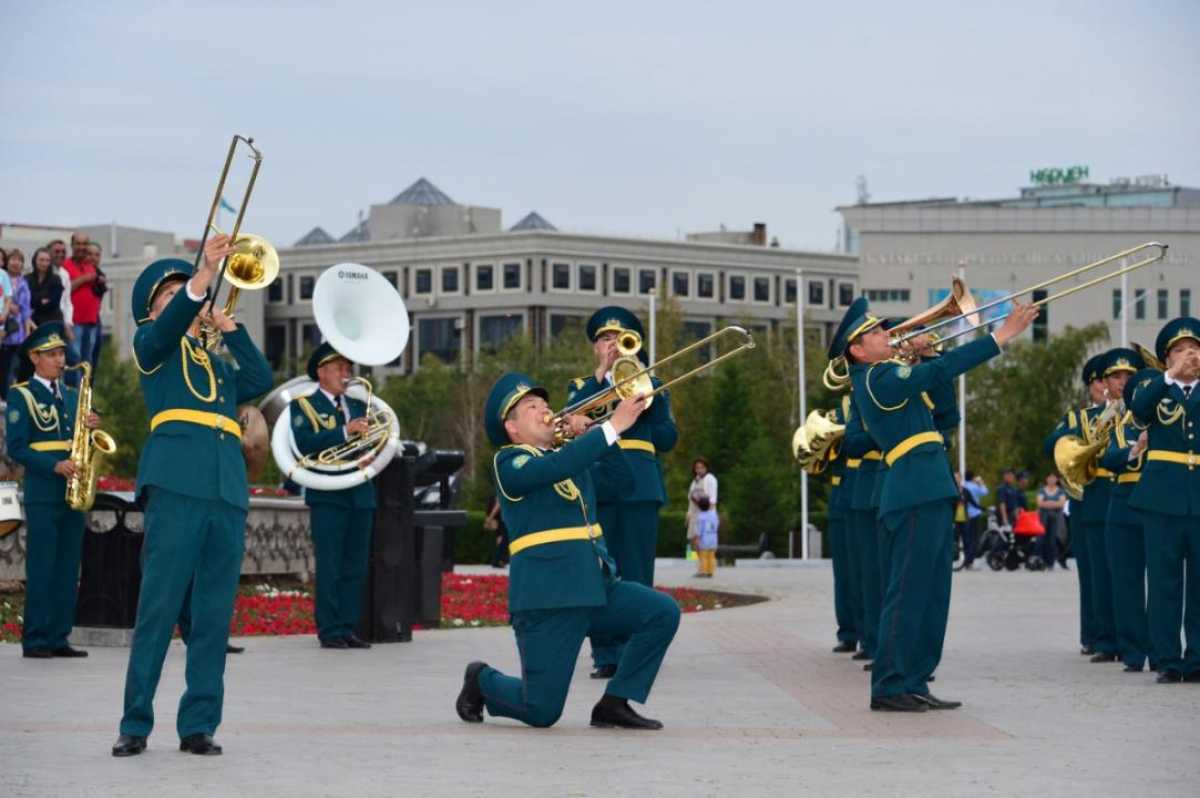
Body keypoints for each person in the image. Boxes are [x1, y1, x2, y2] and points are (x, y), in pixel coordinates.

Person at [836, 295, 1038, 712]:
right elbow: (940, 371)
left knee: (931, 594)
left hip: (929, 485)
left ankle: (915, 677)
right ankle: (890, 684)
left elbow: (946, 416)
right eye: (875, 332)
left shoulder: (895, 376)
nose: (886, 334)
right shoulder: (875, 379)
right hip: (911, 488)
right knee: (907, 590)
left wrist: (931, 355)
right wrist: (999, 336)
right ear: (856, 350)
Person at [112, 237, 273, 758]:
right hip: (177, 484)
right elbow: (163, 330)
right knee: (158, 609)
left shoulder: (215, 360)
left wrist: (230, 327)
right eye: (174, 295)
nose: (189, 298)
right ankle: (135, 722)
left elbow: (259, 379)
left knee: (211, 616)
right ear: (155, 310)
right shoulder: (151, 347)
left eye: (190, 291)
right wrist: (201, 277)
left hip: (224, 488)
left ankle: (198, 724)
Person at [455, 372, 680, 729]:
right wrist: (611, 428)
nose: (546, 410)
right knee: (542, 711)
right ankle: (481, 679)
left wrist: (595, 434)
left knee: (662, 612)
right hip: (550, 600)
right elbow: (551, 468)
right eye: (532, 407)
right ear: (511, 427)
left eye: (545, 404)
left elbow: (622, 483)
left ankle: (615, 702)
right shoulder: (509, 462)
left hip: (596, 588)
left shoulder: (571, 459)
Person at [567, 306, 677, 679]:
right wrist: (601, 379)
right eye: (604, 340)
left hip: (641, 485)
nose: (612, 345)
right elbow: (568, 421)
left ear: (634, 345)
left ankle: (636, 652)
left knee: (637, 571)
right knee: (601, 572)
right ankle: (606, 654)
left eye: (619, 338)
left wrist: (652, 398)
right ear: (596, 348)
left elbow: (667, 439)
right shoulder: (582, 386)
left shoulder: (651, 384)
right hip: (599, 482)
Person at [5, 322, 100, 658]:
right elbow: (17, 448)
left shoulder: (73, 396)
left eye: (61, 353)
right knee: (43, 566)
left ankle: (59, 636)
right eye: (53, 354)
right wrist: (54, 466)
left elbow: (77, 441)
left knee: (67, 565)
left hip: (73, 491)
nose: (61, 360)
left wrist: (90, 428)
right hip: (44, 491)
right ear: (35, 358)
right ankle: (35, 638)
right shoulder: (22, 394)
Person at [288, 342, 377, 650]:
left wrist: (369, 453)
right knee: (330, 565)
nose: (346, 373)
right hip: (328, 494)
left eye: (347, 368)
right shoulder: (304, 405)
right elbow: (304, 443)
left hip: (360, 493)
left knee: (355, 565)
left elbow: (368, 440)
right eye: (339, 368)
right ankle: (329, 629)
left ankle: (347, 626)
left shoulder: (356, 404)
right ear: (322, 372)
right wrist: (344, 433)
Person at [1128, 319, 1200, 684]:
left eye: (1195, 348)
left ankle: (1198, 657)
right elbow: (1138, 410)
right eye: (1180, 349)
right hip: (1161, 499)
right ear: (1167, 357)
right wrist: (1169, 375)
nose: (1190, 355)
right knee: (1163, 582)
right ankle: (1168, 658)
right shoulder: (1155, 387)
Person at [1044, 354, 1108, 655]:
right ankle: (1093, 635)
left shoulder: (1132, 414)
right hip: (1086, 500)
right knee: (1091, 572)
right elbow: (1051, 445)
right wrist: (1087, 437)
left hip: (1121, 498)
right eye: (1099, 381)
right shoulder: (1075, 418)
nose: (1105, 386)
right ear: (1090, 386)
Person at [1098, 347, 1154, 673]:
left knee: (1162, 582)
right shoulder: (1118, 423)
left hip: (1157, 502)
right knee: (1127, 583)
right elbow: (1107, 457)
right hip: (1123, 504)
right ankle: (1133, 651)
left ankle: (1162, 651)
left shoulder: (1165, 418)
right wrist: (1136, 448)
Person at [62, 232, 103, 385]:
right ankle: (72, 398)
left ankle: (85, 401)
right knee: (74, 360)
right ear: (72, 245)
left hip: (91, 321)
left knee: (88, 362)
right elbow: (65, 290)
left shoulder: (90, 266)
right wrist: (84, 279)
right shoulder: (65, 265)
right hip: (74, 322)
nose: (82, 247)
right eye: (78, 244)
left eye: (84, 244)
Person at [0, 248, 34, 398]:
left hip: (15, 331)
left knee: (12, 367)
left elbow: (26, 310)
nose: (16, 263)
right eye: (13, 259)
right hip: (2, 328)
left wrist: (27, 333)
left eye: (19, 260)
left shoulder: (23, 283)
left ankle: (8, 397)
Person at [1036, 473, 1067, 570]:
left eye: (1053, 478)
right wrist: (1054, 503)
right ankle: (1040, 559)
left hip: (1055, 518)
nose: (1051, 479)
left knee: (1052, 539)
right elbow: (1040, 503)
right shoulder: (1042, 490)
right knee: (1041, 538)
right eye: (1049, 477)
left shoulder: (1060, 491)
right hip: (1043, 517)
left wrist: (1048, 503)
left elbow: (1061, 503)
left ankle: (1050, 561)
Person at [28, 247, 65, 327]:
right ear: (35, 261)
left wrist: (36, 301)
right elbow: (27, 301)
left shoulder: (56, 279)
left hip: (52, 320)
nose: (44, 263)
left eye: (47, 260)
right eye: (41, 260)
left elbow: (54, 302)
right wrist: (42, 300)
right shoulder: (27, 279)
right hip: (32, 321)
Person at [685, 457, 718, 543]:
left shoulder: (710, 479)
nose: (699, 470)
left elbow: (712, 500)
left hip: (704, 516)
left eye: (702, 467)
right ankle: (693, 557)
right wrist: (688, 514)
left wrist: (709, 517)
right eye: (697, 468)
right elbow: (690, 500)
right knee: (692, 541)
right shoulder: (694, 481)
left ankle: (701, 556)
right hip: (694, 515)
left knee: (702, 542)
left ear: (706, 468)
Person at [961, 471, 988, 570]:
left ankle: (966, 561)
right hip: (975, 514)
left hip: (965, 515)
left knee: (967, 539)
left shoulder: (964, 486)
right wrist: (980, 482)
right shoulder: (974, 487)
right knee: (974, 539)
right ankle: (969, 562)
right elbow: (985, 492)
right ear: (973, 478)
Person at [693, 495, 719, 577]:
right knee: (711, 556)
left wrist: (696, 538)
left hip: (704, 539)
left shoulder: (701, 517)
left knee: (703, 556)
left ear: (699, 506)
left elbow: (699, 530)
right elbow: (717, 524)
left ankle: (703, 571)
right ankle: (710, 571)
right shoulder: (714, 515)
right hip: (713, 538)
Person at [483, 495, 509, 567]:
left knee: (500, 538)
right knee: (503, 538)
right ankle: (498, 560)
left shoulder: (495, 491)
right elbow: (498, 504)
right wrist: (490, 518)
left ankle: (498, 560)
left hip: (498, 516)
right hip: (500, 516)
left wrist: (489, 518)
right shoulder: (500, 490)